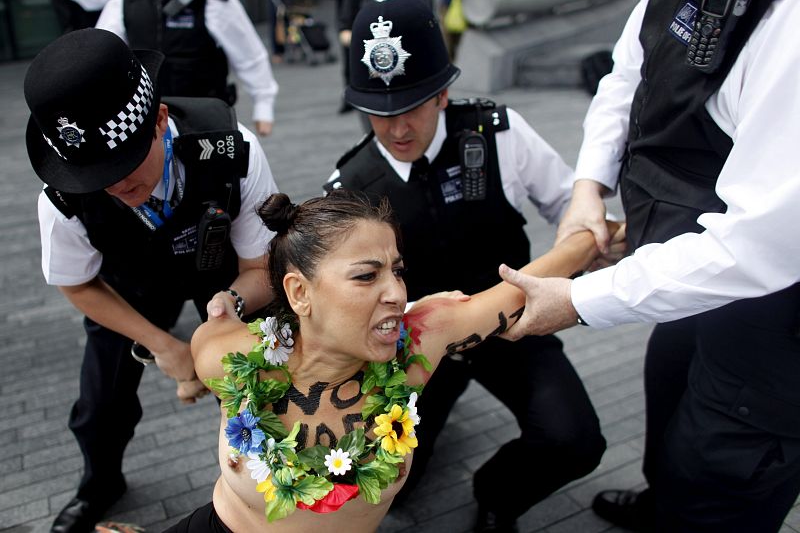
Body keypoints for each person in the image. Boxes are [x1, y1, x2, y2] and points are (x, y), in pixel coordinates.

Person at [497, 0, 800, 531]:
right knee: (668, 404)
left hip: (772, 317)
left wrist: (579, 301)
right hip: (694, 282)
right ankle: (662, 502)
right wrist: (588, 187)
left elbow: (757, 243)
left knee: (718, 480)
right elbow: (629, 76)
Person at [325, 0, 607, 530]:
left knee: (575, 440)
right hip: (421, 350)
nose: (397, 127)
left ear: (443, 92)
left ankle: (496, 495)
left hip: (515, 326)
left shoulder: (497, 134)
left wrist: (595, 234)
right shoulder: (348, 188)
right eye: (379, 110)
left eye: (412, 104)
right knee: (389, 482)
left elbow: (570, 205)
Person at [175, 189, 605, 533]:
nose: (396, 293)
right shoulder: (228, 358)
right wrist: (227, 303)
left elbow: (522, 287)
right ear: (300, 292)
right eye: (367, 275)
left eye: (397, 271)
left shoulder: (415, 348)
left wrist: (595, 235)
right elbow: (207, 333)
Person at [23, 28, 279, 533]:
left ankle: (276, 478)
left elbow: (260, 268)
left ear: (160, 119)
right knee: (99, 408)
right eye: (98, 176)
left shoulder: (231, 147)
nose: (116, 186)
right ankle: (99, 483)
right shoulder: (64, 195)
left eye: (126, 165)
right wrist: (163, 345)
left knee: (275, 373)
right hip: (130, 287)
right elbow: (77, 284)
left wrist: (228, 306)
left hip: (222, 272)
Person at [96, 0, 279, 137]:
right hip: (149, 118)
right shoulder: (123, 3)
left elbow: (248, 53)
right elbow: (102, 53)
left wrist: (263, 103)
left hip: (203, 115)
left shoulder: (213, 3)